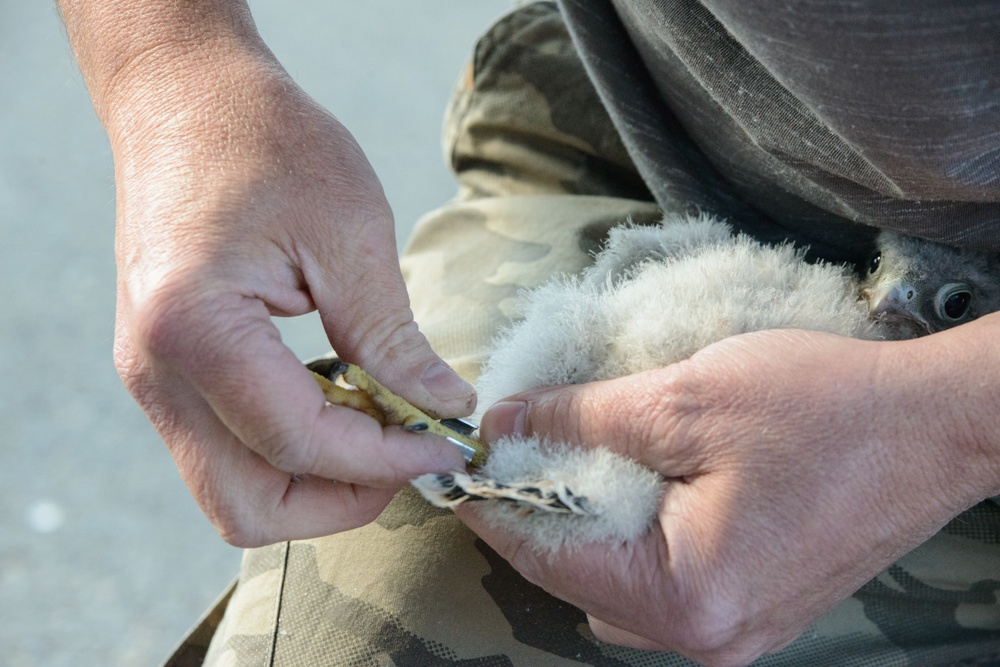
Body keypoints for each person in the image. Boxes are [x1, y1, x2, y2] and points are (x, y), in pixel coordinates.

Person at [60, 1, 1000, 665]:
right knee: (386, 629)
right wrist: (176, 75)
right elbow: (169, 62)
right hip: (667, 119)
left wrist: (953, 417)